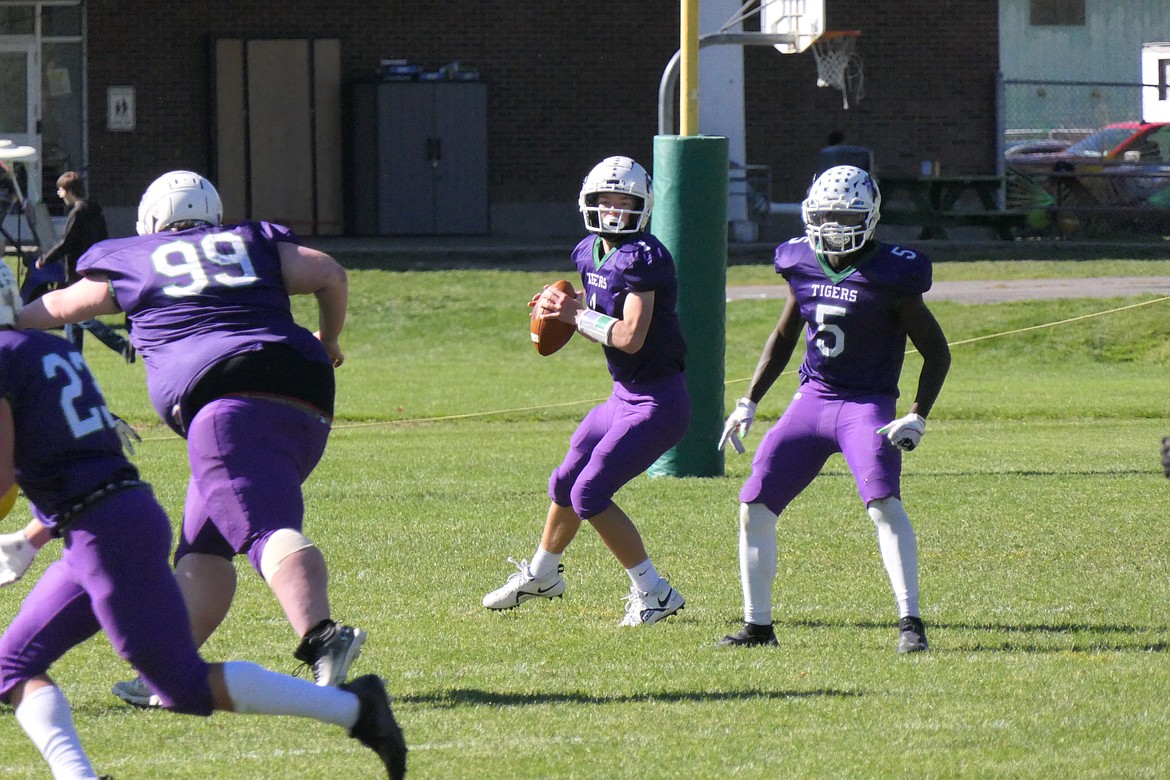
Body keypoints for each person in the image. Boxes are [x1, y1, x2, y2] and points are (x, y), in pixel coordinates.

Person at [0, 264, 406, 779]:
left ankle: (358, 709)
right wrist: (34, 536)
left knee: (181, 685)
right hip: (107, 518)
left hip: (104, 533)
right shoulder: (49, 350)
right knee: (12, 663)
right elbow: (69, 458)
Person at [17, 170, 365, 707]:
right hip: (306, 392)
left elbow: (63, 307)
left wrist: (9, 319)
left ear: (151, 220)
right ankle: (170, 672)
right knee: (205, 548)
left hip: (225, 398)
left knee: (263, 528)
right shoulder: (251, 242)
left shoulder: (134, 256)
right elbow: (329, 273)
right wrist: (330, 338)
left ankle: (323, 636)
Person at [716, 165, 951, 653]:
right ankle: (759, 627)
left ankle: (911, 623)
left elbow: (937, 350)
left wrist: (918, 413)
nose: (836, 225)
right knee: (753, 506)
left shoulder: (892, 272)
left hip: (866, 405)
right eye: (826, 215)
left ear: (870, 217)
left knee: (884, 505)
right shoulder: (799, 260)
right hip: (812, 401)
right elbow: (783, 337)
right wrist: (748, 401)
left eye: (847, 214)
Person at [482, 156, 689, 626]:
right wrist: (563, 309)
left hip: (658, 401)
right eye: (606, 201)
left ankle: (654, 592)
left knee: (590, 492)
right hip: (623, 395)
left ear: (644, 206)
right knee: (565, 479)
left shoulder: (645, 257)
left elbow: (629, 336)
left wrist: (575, 315)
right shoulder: (586, 252)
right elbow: (595, 315)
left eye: (624, 202)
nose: (614, 211)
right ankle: (543, 574)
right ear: (588, 203)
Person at [34, 171, 135, 362]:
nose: (59, 195)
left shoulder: (78, 212)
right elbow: (104, 240)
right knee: (71, 318)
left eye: (60, 191)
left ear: (69, 190)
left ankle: (120, 345)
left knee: (79, 316)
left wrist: (44, 259)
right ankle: (74, 359)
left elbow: (67, 243)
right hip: (94, 269)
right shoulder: (95, 211)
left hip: (78, 271)